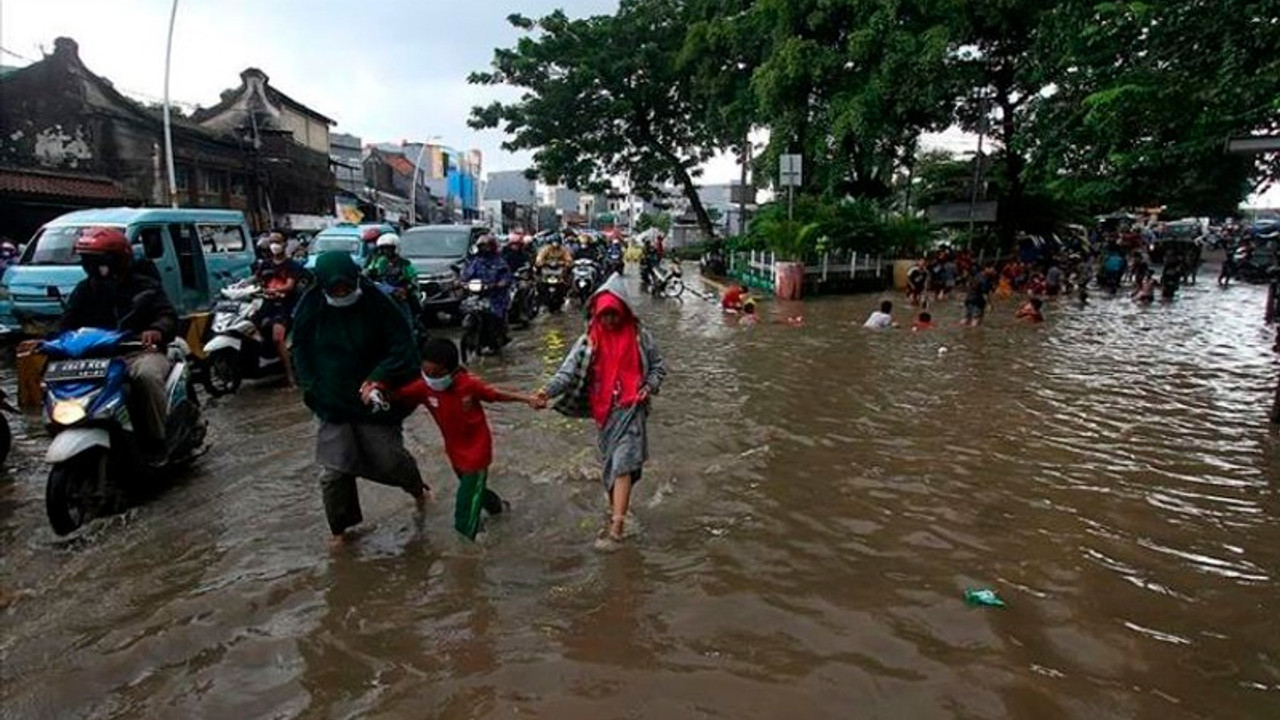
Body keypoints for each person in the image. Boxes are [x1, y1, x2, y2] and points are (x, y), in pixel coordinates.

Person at [291, 251, 429, 549]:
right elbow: (299, 348)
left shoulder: (380, 304)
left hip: (377, 397)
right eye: (334, 290)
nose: (341, 294)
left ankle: (418, 490)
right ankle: (341, 530)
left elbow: (402, 347)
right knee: (334, 472)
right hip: (332, 398)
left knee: (389, 459)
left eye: (346, 287)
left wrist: (378, 376)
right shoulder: (310, 307)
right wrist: (310, 385)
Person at [536, 275, 666, 548]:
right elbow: (567, 373)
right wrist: (546, 392)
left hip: (632, 409)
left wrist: (649, 385)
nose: (609, 321)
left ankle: (617, 526)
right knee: (611, 466)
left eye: (614, 315)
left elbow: (657, 366)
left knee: (622, 462)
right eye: (604, 316)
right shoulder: (588, 342)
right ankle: (617, 510)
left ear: (623, 312)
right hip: (604, 413)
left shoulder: (641, 337)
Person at [383, 338, 539, 540]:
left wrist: (527, 399)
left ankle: (467, 546)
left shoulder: (468, 384)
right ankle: (500, 508)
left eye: (437, 374)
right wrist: (376, 388)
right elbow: (396, 396)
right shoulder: (423, 388)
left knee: (464, 510)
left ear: (452, 371)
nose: (431, 378)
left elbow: (495, 394)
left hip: (477, 453)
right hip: (455, 454)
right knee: (477, 492)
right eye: (427, 372)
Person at [51, 228, 178, 459]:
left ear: (117, 260)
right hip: (97, 358)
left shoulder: (145, 286)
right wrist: (46, 343)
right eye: (87, 260)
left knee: (145, 377)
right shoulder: (84, 289)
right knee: (54, 376)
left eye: (97, 260)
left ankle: (156, 440)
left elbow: (167, 315)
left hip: (139, 353)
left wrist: (157, 330)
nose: (92, 266)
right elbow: (65, 324)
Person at [254, 232, 304, 387]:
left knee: (277, 337)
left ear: (284, 244)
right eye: (271, 242)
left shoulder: (292, 266)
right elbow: (256, 280)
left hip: (283, 306)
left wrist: (274, 291)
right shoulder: (265, 264)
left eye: (277, 241)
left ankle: (290, 376)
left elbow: (289, 285)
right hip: (265, 304)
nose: (274, 245)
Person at [461, 235, 514, 349]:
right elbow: (467, 274)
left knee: (496, 315)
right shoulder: (475, 262)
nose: (484, 249)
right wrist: (461, 282)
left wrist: (500, 283)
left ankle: (500, 334)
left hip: (496, 296)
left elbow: (506, 277)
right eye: (482, 247)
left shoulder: (499, 262)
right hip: (477, 295)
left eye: (486, 246)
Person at [365, 232, 422, 321]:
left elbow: (413, 281)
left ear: (395, 249)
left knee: (407, 319)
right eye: (383, 249)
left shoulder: (404, 264)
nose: (386, 251)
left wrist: (404, 290)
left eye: (388, 249)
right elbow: (369, 273)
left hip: (400, 297)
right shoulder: (378, 261)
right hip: (383, 295)